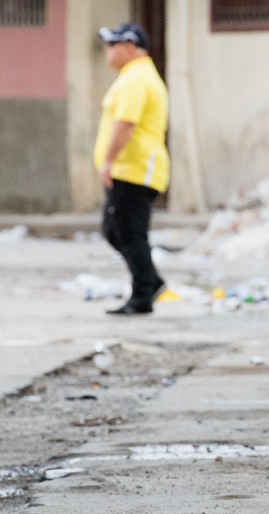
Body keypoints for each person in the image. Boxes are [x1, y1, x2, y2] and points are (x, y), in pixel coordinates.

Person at [95, 22, 170, 315]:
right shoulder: (136, 76)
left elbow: (126, 124)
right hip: (133, 169)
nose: (107, 52)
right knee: (115, 230)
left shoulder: (136, 79)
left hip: (135, 169)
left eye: (111, 45)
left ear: (128, 47)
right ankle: (151, 282)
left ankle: (142, 296)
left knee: (129, 233)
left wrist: (109, 160)